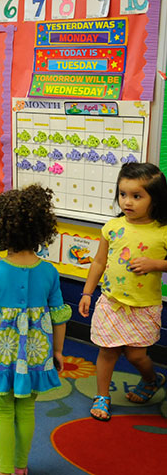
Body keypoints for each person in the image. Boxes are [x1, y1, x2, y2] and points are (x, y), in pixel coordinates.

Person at [0, 185, 70, 475]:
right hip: (38, 353)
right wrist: (59, 351)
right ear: (41, 230)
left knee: (2, 410)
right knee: (26, 409)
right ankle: (20, 468)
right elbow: (59, 316)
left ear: (0, 229)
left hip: (3, 353)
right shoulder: (49, 271)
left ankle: (2, 471)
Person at [78, 162, 167, 421]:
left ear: (155, 198)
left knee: (136, 355)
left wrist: (156, 264)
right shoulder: (112, 227)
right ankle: (102, 396)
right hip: (111, 302)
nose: (127, 202)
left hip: (145, 305)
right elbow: (99, 262)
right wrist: (86, 293)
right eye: (122, 194)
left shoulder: (162, 231)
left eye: (137, 196)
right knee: (107, 351)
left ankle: (151, 379)